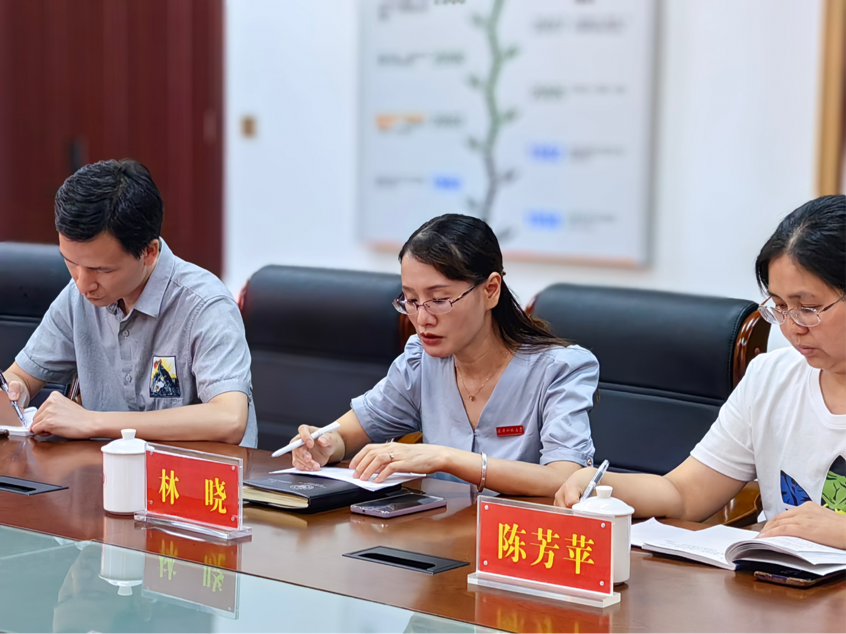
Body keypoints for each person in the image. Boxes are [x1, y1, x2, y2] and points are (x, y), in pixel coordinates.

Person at [556, 195, 846, 548]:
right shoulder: (770, 378)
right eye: (780, 306)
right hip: (774, 580)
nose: (792, 327)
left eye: (809, 307)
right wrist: (602, 485)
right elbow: (686, 493)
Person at [292, 214, 599, 496]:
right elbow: (346, 434)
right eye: (411, 300)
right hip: (441, 532)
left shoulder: (559, 370)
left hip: (518, 534)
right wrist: (324, 445)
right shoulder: (420, 363)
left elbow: (567, 479)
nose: (423, 318)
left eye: (439, 300)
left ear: (491, 290)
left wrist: (445, 458)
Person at [0, 159, 257, 446]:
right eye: (71, 263)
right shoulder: (77, 297)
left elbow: (229, 419)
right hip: (103, 470)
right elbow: (20, 376)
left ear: (149, 252)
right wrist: (16, 391)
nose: (83, 284)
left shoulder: (205, 305)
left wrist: (92, 422)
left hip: (191, 473)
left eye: (101, 270)